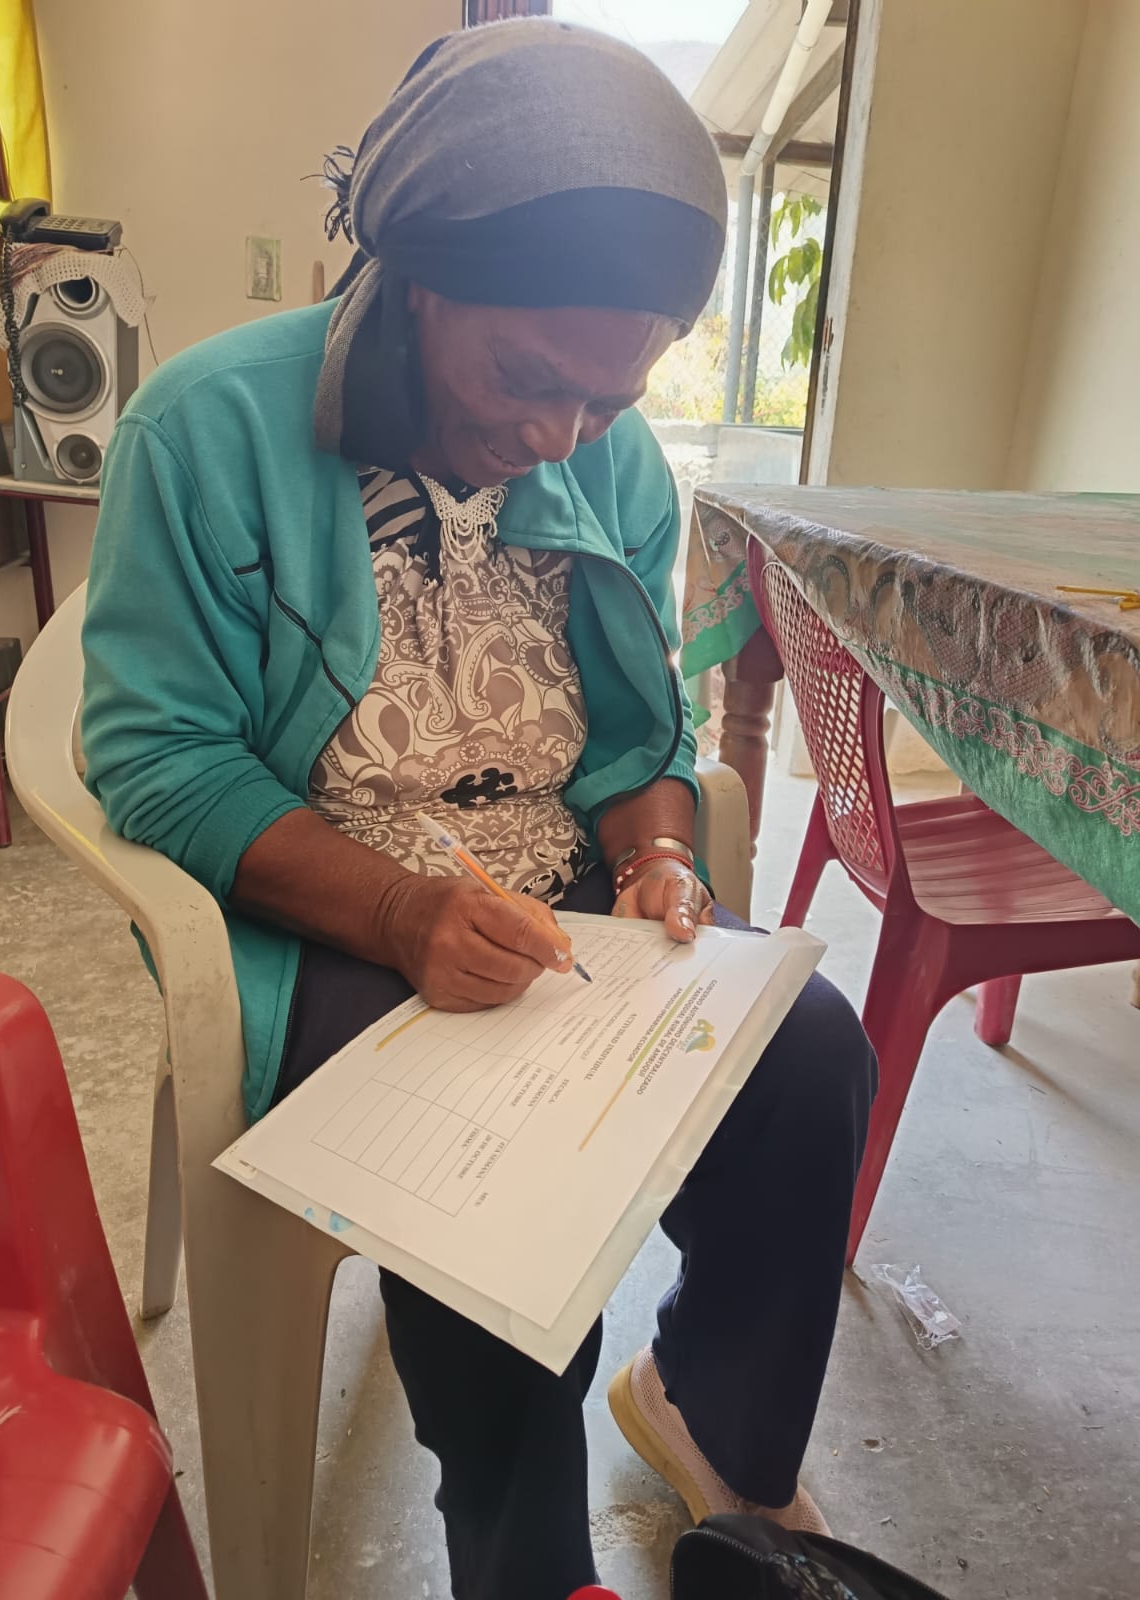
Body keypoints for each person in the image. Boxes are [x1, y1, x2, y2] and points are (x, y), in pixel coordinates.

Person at [81, 20, 876, 1600]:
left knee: (807, 1057)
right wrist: (400, 912)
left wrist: (659, 859)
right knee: (490, 1160)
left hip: (557, 900)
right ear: (415, 282)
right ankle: (524, 1560)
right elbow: (159, 757)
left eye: (613, 394)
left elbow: (642, 735)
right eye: (528, 378)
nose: (561, 438)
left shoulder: (608, 461)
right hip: (324, 906)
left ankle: (715, 1416)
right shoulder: (211, 430)